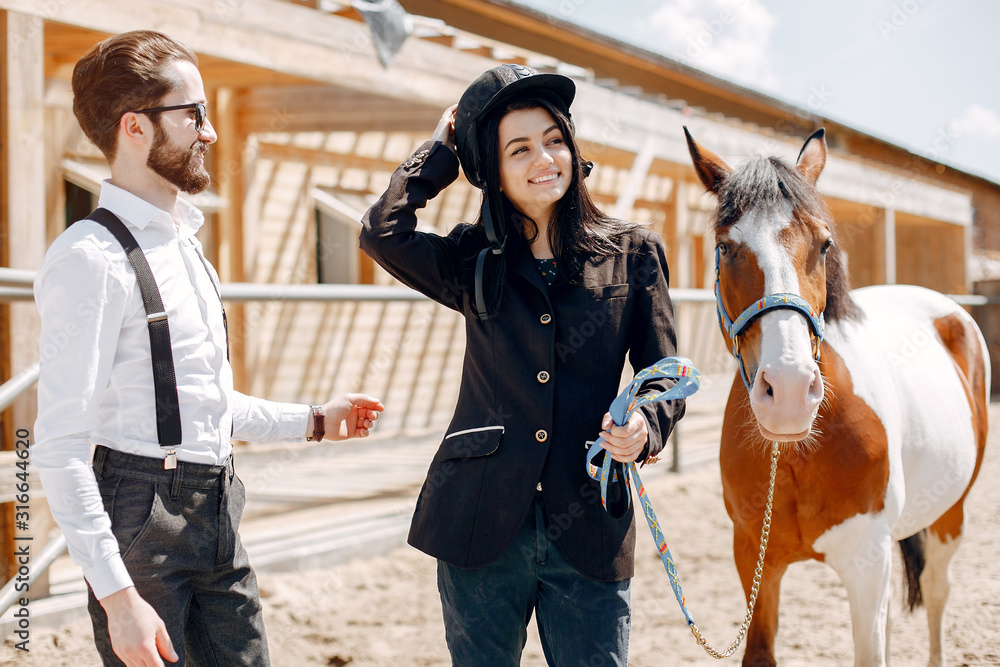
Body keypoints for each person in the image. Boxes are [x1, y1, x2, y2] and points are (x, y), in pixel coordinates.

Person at [32, 30, 383, 667]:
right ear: (134, 127)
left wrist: (313, 421)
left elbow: (201, 401)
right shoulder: (90, 257)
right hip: (141, 517)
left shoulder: (187, 245)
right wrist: (118, 599)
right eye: (193, 113)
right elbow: (57, 448)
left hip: (217, 504)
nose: (210, 132)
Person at [360, 64, 685, 666]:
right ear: (493, 171)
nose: (544, 158)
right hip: (478, 521)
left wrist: (646, 426)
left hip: (589, 522)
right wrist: (438, 157)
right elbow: (383, 233)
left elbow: (665, 371)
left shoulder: (633, 253)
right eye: (519, 148)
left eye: (554, 140)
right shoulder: (469, 256)